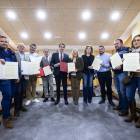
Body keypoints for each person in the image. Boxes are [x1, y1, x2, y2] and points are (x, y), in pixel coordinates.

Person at [0, 36, 20, 128]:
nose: (4, 43)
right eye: (2, 41)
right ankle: (5, 117)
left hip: (13, 78)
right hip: (4, 78)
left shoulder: (12, 53)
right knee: (7, 96)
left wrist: (18, 75)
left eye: (5, 41)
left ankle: (7, 113)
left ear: (8, 43)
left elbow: (16, 65)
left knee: (11, 96)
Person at [109, 39, 129, 116]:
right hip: (115, 74)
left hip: (123, 73)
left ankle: (125, 109)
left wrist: (121, 66)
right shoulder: (115, 53)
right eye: (114, 44)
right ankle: (120, 105)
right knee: (119, 91)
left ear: (121, 43)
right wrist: (110, 63)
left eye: (117, 43)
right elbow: (113, 65)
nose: (116, 45)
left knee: (123, 91)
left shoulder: (127, 49)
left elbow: (129, 60)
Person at [124, 34, 140, 128]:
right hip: (131, 77)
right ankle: (133, 114)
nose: (136, 42)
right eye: (134, 40)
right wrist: (124, 61)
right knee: (129, 95)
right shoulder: (130, 52)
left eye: (138, 40)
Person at [14, 43, 30, 117]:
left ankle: (20, 106)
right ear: (17, 47)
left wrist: (36, 69)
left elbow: (30, 65)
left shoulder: (27, 56)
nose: (22, 47)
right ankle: (16, 108)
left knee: (22, 91)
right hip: (17, 76)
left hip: (25, 76)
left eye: (23, 46)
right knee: (17, 92)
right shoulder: (14, 54)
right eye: (20, 46)